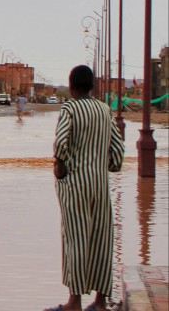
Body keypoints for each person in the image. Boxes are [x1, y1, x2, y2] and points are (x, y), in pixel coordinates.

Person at [46, 65, 124, 311]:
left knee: (76, 239)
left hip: (75, 185)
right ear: (92, 86)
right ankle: (100, 302)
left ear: (71, 86)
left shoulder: (70, 108)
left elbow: (60, 142)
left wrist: (60, 164)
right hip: (100, 186)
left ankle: (75, 302)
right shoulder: (104, 110)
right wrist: (106, 164)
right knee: (102, 239)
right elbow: (118, 152)